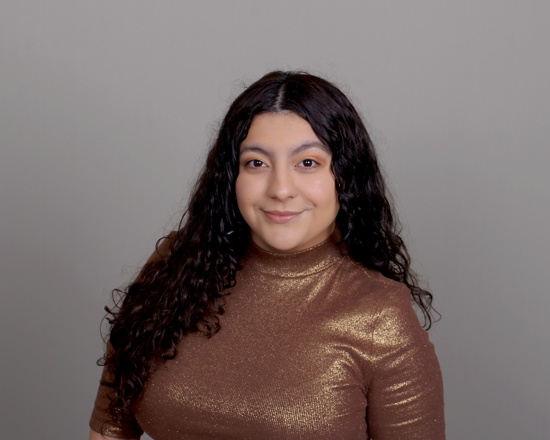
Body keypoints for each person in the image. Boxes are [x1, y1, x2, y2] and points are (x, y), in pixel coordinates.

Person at [89, 71, 445, 440]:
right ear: (232, 176)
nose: (280, 189)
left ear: (344, 177)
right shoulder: (177, 263)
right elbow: (110, 427)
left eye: (307, 163)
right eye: (257, 163)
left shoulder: (381, 315)